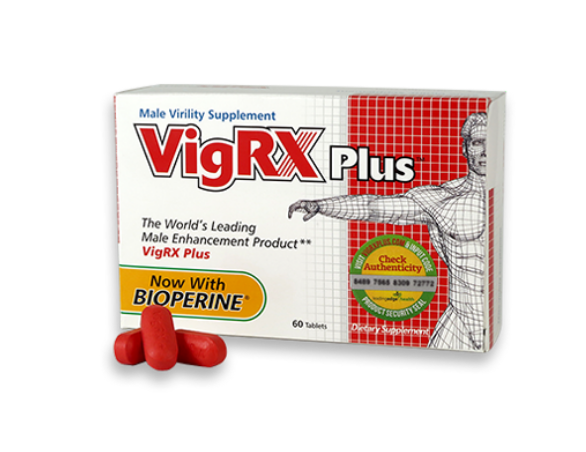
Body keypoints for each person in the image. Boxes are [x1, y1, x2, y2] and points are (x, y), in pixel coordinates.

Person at [288, 113, 488, 350]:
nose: (485, 151)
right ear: (465, 149)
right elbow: (373, 207)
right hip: (461, 325)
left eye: (490, 142)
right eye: (477, 142)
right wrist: (321, 206)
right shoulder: (442, 199)